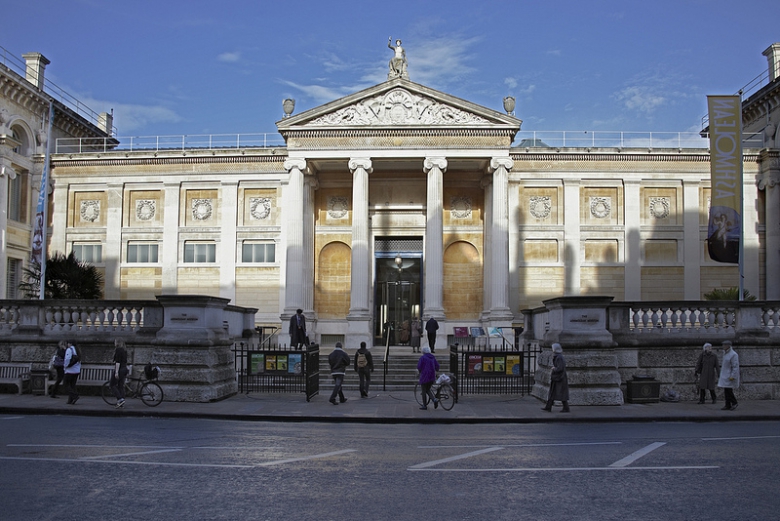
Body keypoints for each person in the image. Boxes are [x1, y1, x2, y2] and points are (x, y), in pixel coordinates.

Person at [541, 343, 570, 413]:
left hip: (559, 378)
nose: (552, 349)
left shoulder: (559, 357)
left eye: (553, 348)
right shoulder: (558, 356)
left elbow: (560, 368)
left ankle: (565, 408)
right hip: (557, 377)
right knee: (553, 392)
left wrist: (554, 368)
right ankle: (548, 406)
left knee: (559, 392)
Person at [718, 340, 740, 411]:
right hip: (725, 375)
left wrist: (733, 376)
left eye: (724, 345)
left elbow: (735, 366)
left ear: (728, 346)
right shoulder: (726, 354)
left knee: (729, 390)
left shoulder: (733, 354)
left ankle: (734, 402)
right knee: (726, 390)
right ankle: (727, 404)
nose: (723, 346)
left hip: (729, 375)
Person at [416, 346, 439, 410]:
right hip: (432, 376)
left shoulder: (423, 358)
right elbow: (437, 365)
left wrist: (419, 372)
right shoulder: (432, 357)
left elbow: (419, 366)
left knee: (424, 390)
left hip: (425, 376)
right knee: (428, 389)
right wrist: (437, 370)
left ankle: (424, 405)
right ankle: (434, 400)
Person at [110, 339, 130, 408]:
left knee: (112, 384)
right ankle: (122, 400)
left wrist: (116, 372)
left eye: (115, 342)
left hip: (120, 369)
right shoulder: (124, 350)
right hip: (124, 369)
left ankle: (120, 399)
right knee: (121, 385)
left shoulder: (118, 350)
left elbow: (118, 362)